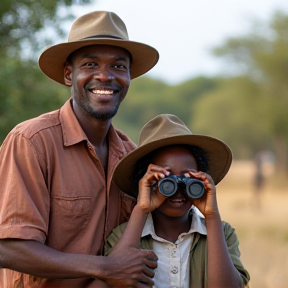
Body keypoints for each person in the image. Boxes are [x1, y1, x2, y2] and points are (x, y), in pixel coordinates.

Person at [0, 11, 160, 288]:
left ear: (129, 77)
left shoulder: (130, 155)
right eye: (90, 64)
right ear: (68, 75)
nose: (104, 76)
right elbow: (8, 249)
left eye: (119, 66)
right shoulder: (32, 141)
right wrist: (107, 268)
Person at [104, 114, 250, 288]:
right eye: (167, 180)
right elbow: (114, 275)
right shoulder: (122, 237)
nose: (178, 189)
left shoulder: (223, 233)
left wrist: (212, 216)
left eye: (188, 178)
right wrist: (141, 208)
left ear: (201, 180)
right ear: (146, 181)